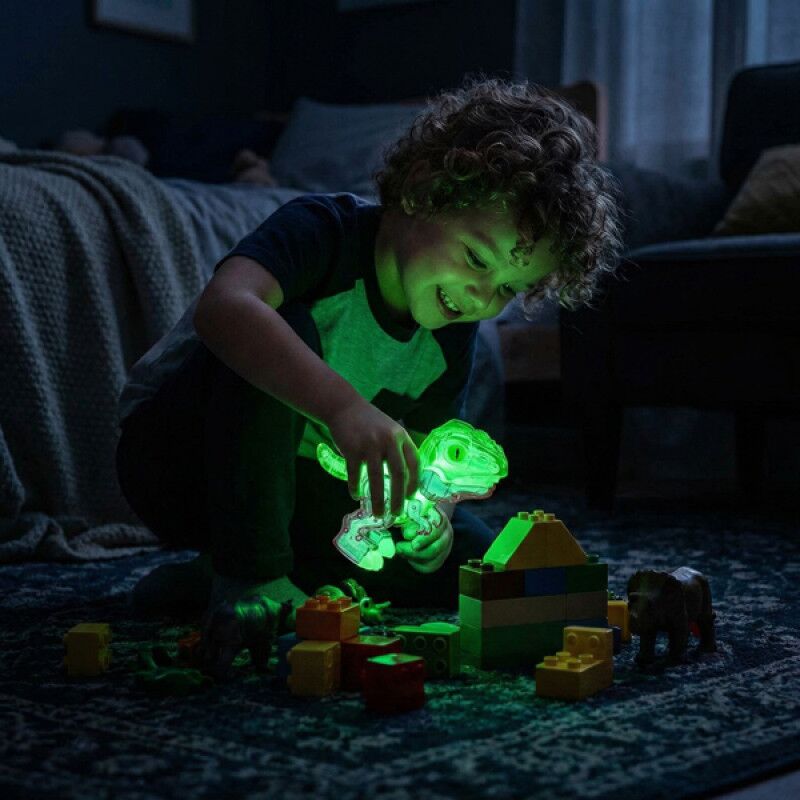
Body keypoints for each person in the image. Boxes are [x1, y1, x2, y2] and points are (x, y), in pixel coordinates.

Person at [115, 77, 625, 620]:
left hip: (297, 492)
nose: (481, 298)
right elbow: (224, 308)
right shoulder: (321, 231)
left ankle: (222, 577)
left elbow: (424, 453)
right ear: (424, 189)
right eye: (477, 260)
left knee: (473, 559)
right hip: (177, 458)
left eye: (507, 289)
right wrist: (343, 409)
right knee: (283, 323)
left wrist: (435, 516)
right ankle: (251, 574)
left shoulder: (453, 328)